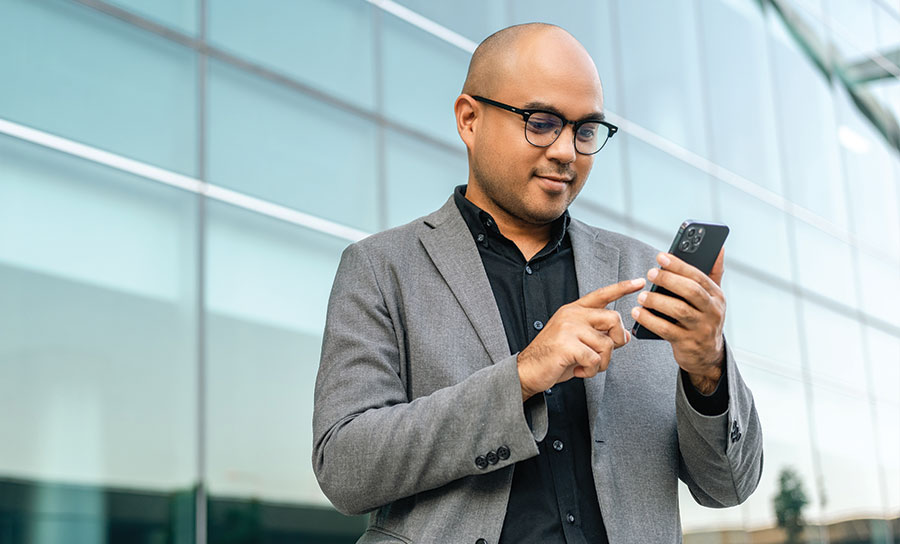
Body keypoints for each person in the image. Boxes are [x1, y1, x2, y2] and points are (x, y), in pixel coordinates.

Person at [312, 23, 763, 544]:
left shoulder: (644, 274)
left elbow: (730, 485)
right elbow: (345, 468)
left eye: (586, 130)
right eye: (542, 122)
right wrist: (521, 377)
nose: (567, 151)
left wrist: (707, 368)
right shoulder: (381, 267)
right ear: (470, 119)